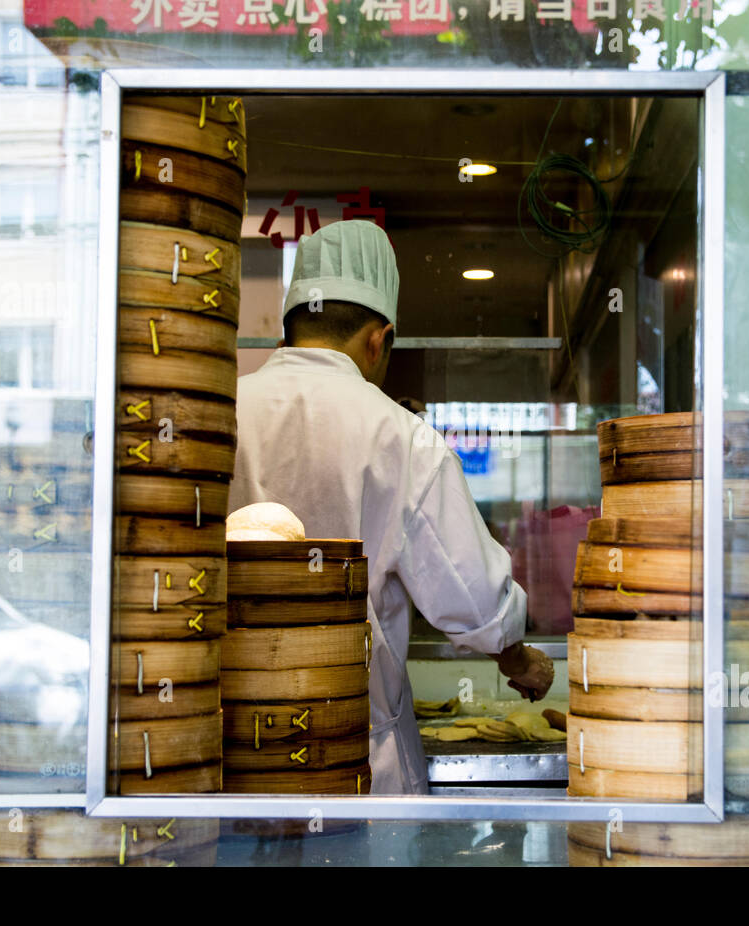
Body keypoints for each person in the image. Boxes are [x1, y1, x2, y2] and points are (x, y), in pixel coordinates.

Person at [228, 218, 555, 794]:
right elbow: (474, 597)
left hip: (233, 752)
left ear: (289, 328)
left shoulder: (222, 413)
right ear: (378, 339)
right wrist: (516, 656)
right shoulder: (401, 437)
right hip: (357, 761)